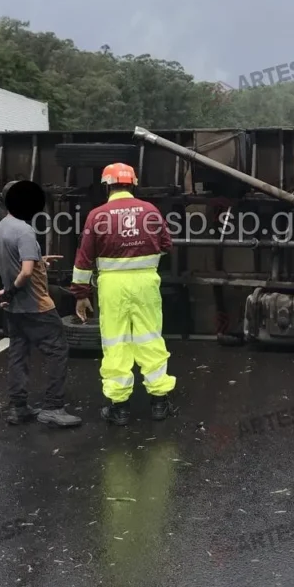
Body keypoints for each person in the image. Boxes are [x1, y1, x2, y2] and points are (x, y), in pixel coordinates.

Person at [70, 163, 176, 426]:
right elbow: (166, 244)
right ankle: (159, 403)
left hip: (112, 286)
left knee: (115, 342)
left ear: (107, 185)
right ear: (133, 184)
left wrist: (81, 294)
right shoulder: (150, 211)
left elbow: (83, 260)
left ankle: (120, 409)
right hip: (146, 283)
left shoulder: (97, 216)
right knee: (150, 338)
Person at [0, 180, 82, 428]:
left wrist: (40, 260)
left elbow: (17, 263)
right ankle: (53, 407)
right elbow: (26, 272)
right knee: (58, 350)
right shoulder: (24, 231)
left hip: (14, 308)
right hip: (37, 306)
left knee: (18, 353)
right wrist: (12, 289)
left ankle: (18, 408)